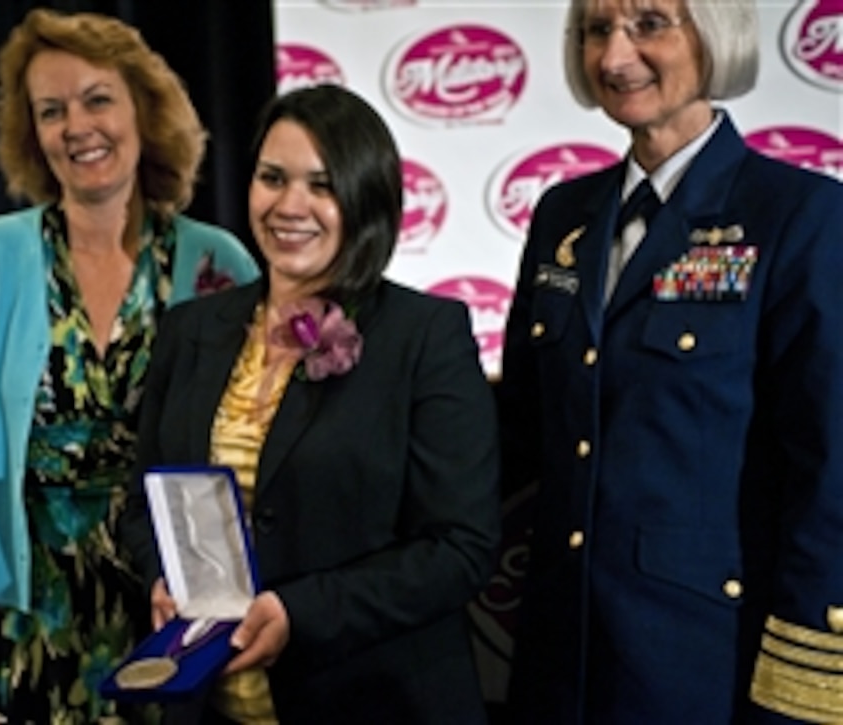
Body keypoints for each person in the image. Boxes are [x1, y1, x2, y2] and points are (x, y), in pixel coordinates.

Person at [0, 8, 259, 723]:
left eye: (98, 98)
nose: (77, 126)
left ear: (142, 110)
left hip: (172, 612)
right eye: (51, 110)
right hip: (22, 620)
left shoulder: (220, 263)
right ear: (31, 134)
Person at [498, 0, 843, 722]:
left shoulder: (801, 214)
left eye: (649, 24)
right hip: (558, 664)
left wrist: (803, 679)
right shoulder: (564, 215)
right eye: (597, 31)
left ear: (715, 35)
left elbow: (828, 469)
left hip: (704, 668)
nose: (616, 58)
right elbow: (521, 439)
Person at [121, 84, 501, 724]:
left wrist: (302, 611)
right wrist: (167, 578)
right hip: (212, 704)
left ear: (365, 198)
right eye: (273, 177)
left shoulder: (424, 335)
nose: (289, 205)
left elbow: (459, 548)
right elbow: (142, 504)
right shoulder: (190, 331)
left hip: (374, 700)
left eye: (321, 185)